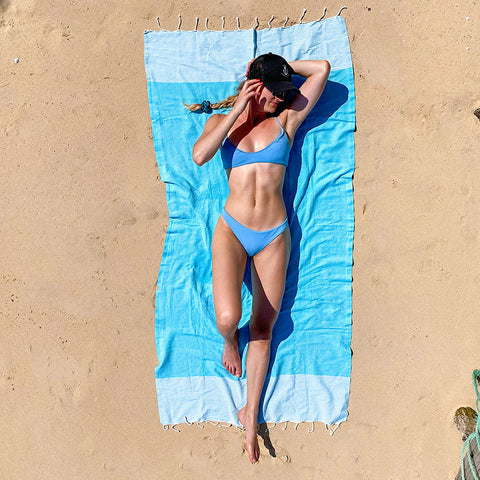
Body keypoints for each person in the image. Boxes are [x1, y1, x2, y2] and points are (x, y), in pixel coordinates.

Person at [191, 53, 330, 463]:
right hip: (233, 230)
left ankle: (250, 416)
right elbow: (200, 155)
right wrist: (240, 105)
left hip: (272, 235)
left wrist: (281, 68)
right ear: (254, 84)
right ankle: (228, 342)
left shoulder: (286, 121)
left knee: (264, 327)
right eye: (277, 91)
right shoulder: (221, 125)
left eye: (286, 91)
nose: (283, 98)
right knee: (227, 320)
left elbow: (321, 68)